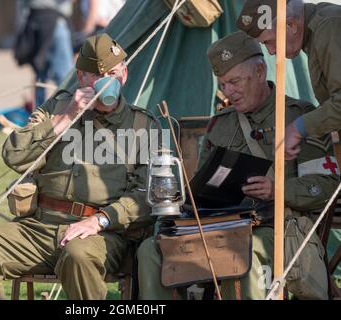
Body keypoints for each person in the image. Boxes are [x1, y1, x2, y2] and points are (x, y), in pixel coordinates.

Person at [136, 31, 339, 300]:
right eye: (222, 85)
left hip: (275, 228)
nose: (228, 92)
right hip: (220, 226)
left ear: (259, 70)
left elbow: (327, 186)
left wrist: (279, 190)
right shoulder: (221, 124)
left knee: (244, 252)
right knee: (152, 250)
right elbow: (203, 186)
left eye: (234, 82)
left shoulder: (300, 117)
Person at [0, 33, 158, 300]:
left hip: (100, 234)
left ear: (123, 75)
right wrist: (67, 117)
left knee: (78, 255)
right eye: (96, 76)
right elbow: (14, 156)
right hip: (39, 228)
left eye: (111, 73)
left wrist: (99, 220)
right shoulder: (57, 108)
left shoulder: (142, 125)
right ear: (81, 77)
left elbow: (147, 193)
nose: (105, 82)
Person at [235, 0, 341, 160]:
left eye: (269, 42)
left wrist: (297, 129)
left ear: (290, 25)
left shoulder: (329, 27)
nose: (270, 52)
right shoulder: (317, 31)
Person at [21, 0, 75, 107]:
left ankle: (40, 115)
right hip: (53, 23)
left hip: (37, 21)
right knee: (66, 78)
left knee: (41, 75)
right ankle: (65, 114)